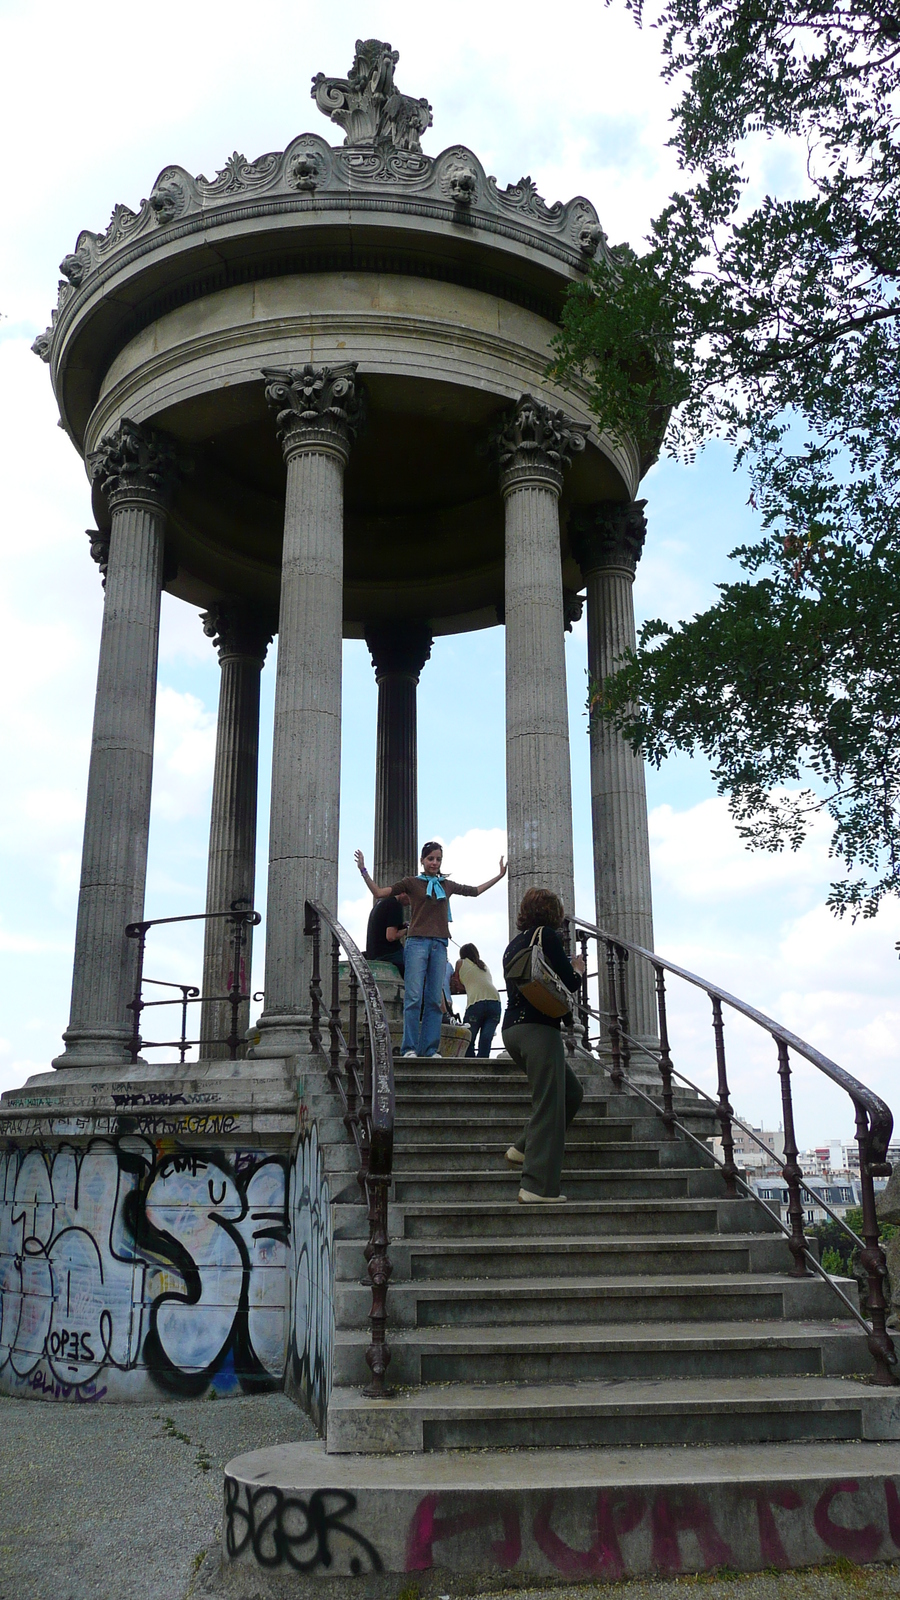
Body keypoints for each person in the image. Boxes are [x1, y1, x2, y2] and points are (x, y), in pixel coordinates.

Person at [354, 841, 507, 1058]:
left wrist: (499, 876)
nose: (434, 863)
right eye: (431, 859)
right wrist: (363, 870)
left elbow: (474, 891)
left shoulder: (447, 885)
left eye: (438, 859)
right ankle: (409, 1048)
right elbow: (379, 892)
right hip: (417, 943)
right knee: (414, 997)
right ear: (422, 861)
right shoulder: (412, 883)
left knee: (435, 999)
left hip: (439, 944)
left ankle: (430, 1048)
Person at [501, 887, 585, 1204]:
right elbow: (569, 984)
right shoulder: (547, 937)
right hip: (538, 1029)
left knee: (571, 1092)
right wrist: (576, 967)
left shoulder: (513, 945)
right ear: (553, 914)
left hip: (513, 1030)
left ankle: (522, 1148)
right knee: (549, 1103)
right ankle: (536, 1187)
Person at [455, 943, 502, 1059]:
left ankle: (471, 1065)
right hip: (495, 1002)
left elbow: (457, 984)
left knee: (468, 1038)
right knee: (486, 1039)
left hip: (476, 1003)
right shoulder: (483, 965)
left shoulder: (460, 963)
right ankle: (483, 1065)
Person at [364, 890, 409, 975]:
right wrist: (407, 930)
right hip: (389, 954)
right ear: (403, 893)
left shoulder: (381, 903)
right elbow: (391, 936)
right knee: (420, 967)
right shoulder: (395, 905)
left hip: (374, 953)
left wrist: (401, 927)